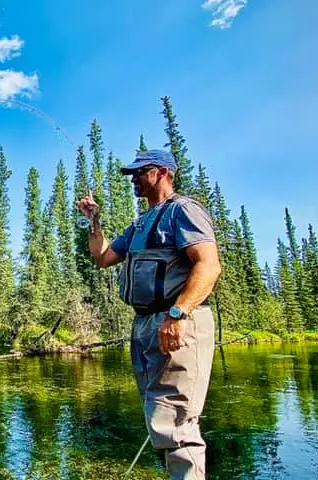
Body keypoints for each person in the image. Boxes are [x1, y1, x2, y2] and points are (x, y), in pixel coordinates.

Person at [77, 149, 222, 479]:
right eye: (131, 174)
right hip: (146, 326)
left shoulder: (183, 211)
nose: (133, 179)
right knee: (161, 417)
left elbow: (209, 265)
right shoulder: (140, 223)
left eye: (139, 173)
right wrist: (93, 219)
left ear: (162, 172)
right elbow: (103, 257)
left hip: (176, 323)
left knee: (178, 422)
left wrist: (177, 314)